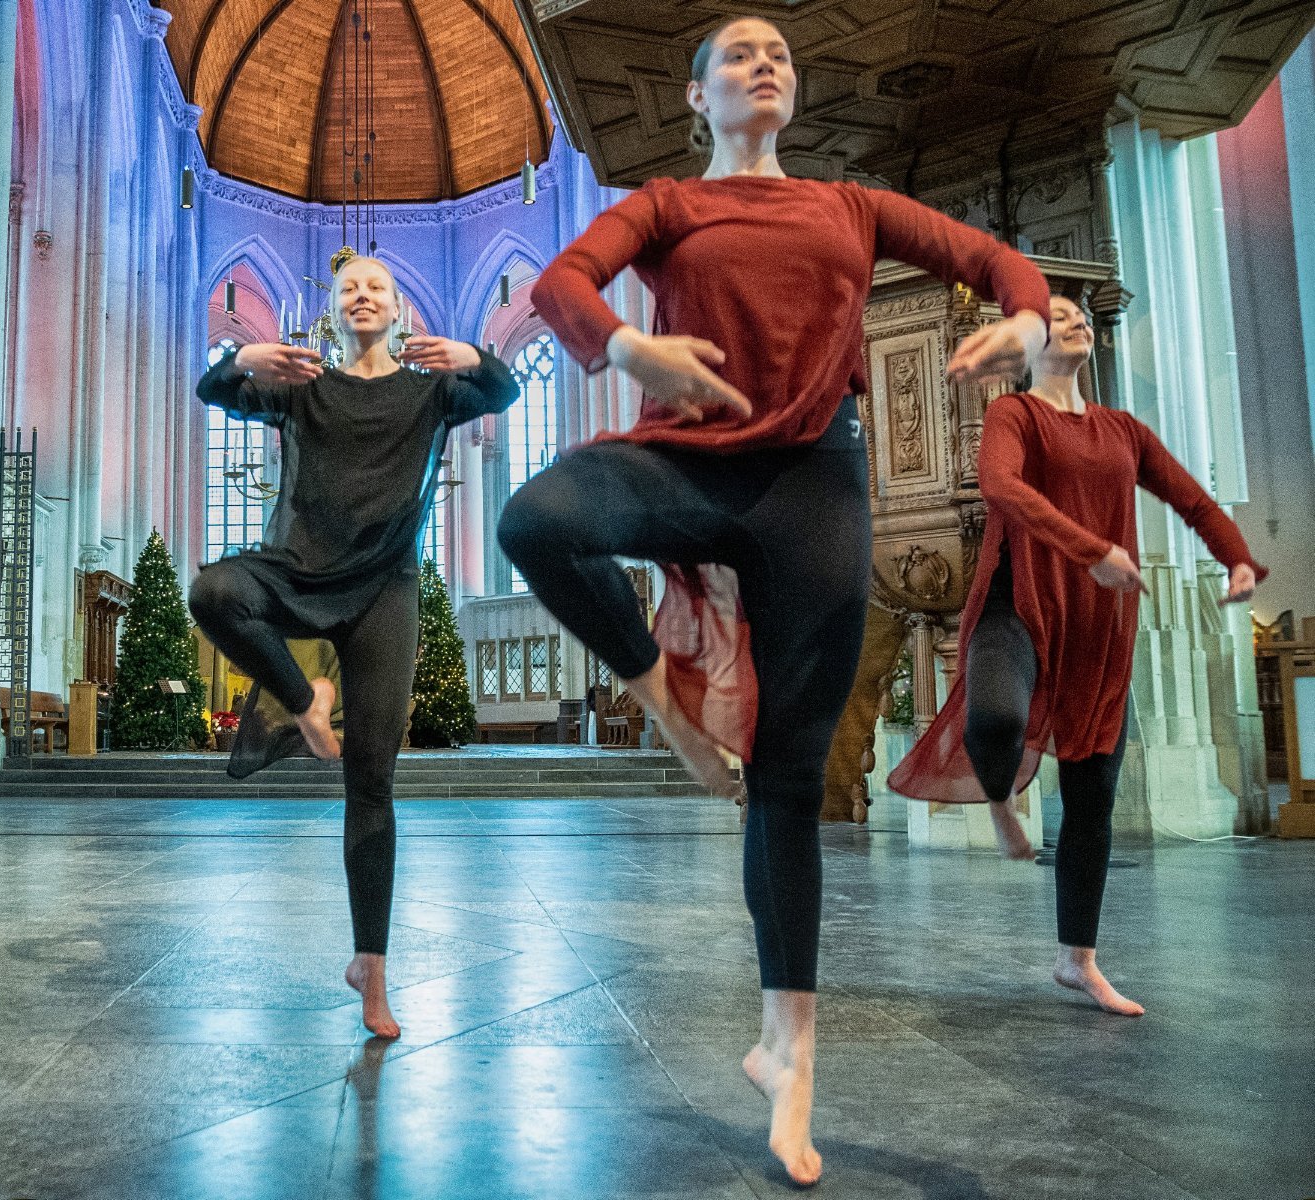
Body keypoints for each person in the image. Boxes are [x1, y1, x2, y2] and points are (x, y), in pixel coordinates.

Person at [497, 17, 1051, 1185]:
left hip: (813, 486)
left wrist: (1026, 317)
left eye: (781, 55)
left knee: (790, 783)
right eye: (739, 54)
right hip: (688, 457)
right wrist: (631, 352)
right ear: (696, 97)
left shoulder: (851, 205)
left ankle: (787, 1053)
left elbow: (993, 260)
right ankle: (666, 700)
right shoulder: (667, 205)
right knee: (536, 520)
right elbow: (561, 282)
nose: (766, 63)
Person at [888, 295, 1263, 1018]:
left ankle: (1077, 960)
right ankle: (1001, 798)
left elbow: (1191, 498)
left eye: (1083, 315)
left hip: (1097, 624)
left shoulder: (1123, 431)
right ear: (1029, 342)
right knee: (996, 718)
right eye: (1058, 315)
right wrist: (1092, 549)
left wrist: (1237, 558)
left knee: (1093, 798)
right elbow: (1000, 485)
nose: (1078, 321)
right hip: (1017, 605)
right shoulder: (1014, 416)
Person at [191, 254, 517, 1039]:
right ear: (332, 311)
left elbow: (503, 389)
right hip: (300, 570)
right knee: (215, 593)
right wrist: (247, 356)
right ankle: (305, 702)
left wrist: (469, 352)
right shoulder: (302, 386)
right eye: (349, 289)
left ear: (398, 309)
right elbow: (213, 392)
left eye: (376, 288)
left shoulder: (432, 392)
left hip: (385, 591)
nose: (362, 296)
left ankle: (371, 968)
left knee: (371, 780)